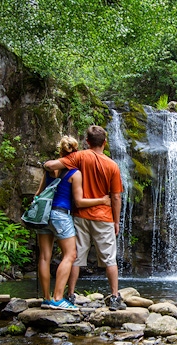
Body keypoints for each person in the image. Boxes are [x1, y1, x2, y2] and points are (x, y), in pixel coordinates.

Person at [44, 125, 125, 311]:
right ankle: (114, 296)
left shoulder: (79, 157)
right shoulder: (113, 165)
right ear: (105, 143)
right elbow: (116, 196)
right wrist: (116, 220)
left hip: (79, 216)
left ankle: (70, 294)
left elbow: (52, 165)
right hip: (104, 217)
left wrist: (46, 166)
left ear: (87, 142)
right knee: (109, 259)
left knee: (76, 258)